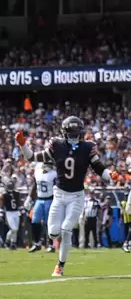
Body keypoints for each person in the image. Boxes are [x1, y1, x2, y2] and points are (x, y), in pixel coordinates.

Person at [14, 116, 119, 276]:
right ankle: (56, 252)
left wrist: (109, 175)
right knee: (53, 232)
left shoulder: (88, 147)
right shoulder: (57, 145)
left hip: (76, 196)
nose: (73, 136)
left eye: (75, 132)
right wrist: (22, 145)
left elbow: (98, 167)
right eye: (71, 132)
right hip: (59, 195)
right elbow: (32, 157)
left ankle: (60, 266)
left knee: (66, 229)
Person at [28, 162, 57, 253]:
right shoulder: (38, 172)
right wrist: (29, 197)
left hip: (50, 199)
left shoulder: (54, 174)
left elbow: (57, 187)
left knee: (49, 222)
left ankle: (51, 245)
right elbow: (34, 185)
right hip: (39, 199)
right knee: (35, 221)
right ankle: (37, 243)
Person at [2, 181, 22, 250]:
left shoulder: (16, 193)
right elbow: (2, 204)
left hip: (16, 212)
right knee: (14, 229)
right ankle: (8, 242)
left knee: (15, 229)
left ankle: (13, 244)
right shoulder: (4, 195)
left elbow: (19, 202)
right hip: (9, 212)